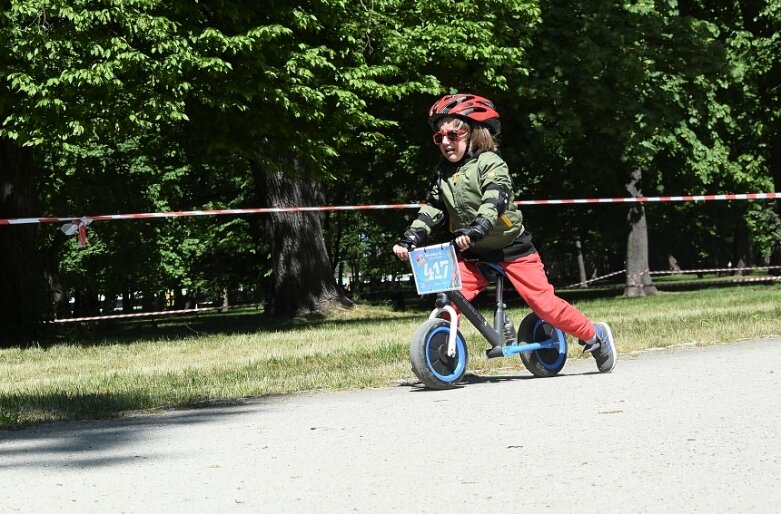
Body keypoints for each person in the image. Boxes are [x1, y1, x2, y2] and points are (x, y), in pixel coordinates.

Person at [392, 93, 616, 372]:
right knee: (449, 298)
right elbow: (433, 209)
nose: (446, 142)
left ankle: (594, 335)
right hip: (475, 254)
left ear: (474, 132)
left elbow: (494, 200)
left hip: (513, 249)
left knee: (544, 306)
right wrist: (410, 238)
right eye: (440, 138)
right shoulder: (443, 174)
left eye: (454, 133)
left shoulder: (491, 163)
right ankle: (442, 351)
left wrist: (478, 228)